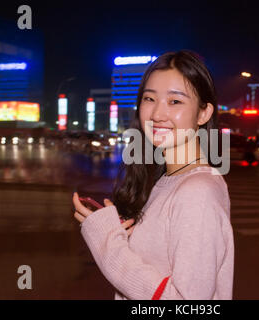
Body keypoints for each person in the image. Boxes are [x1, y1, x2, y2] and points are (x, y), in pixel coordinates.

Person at [72, 51, 234, 300]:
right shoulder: (169, 180)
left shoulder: (197, 191)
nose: (157, 114)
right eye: (149, 98)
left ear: (204, 113)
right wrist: (125, 238)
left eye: (175, 102)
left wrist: (108, 243)